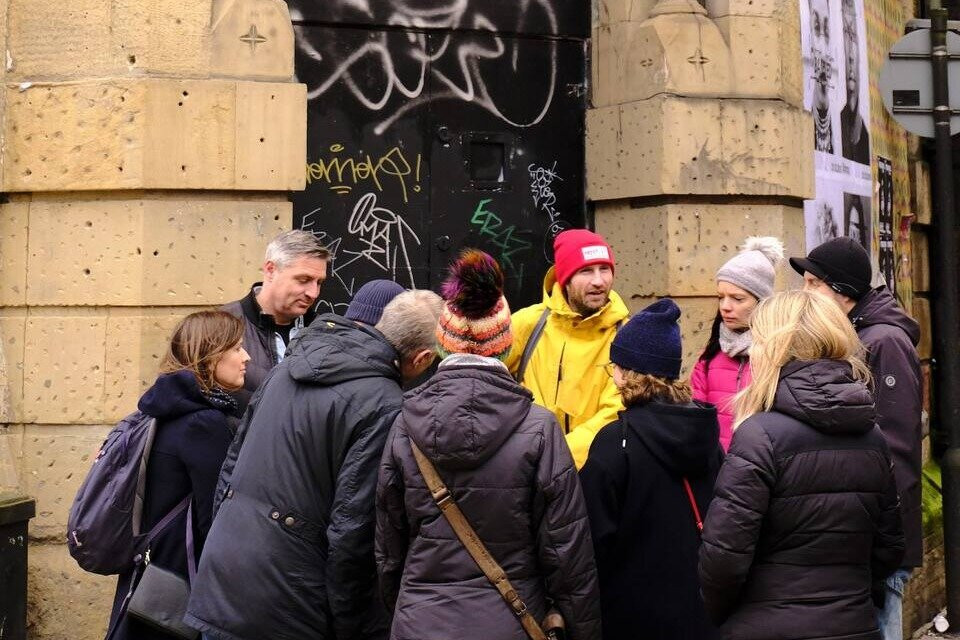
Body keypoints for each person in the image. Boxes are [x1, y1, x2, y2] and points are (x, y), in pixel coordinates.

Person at [185, 290, 443, 640]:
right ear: (423, 357)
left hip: (225, 577)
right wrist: (350, 626)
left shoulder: (288, 367)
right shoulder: (385, 405)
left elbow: (231, 466)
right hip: (290, 601)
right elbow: (353, 532)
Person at [376, 249, 601, 640]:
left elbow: (388, 545)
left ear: (443, 342)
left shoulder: (405, 423)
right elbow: (567, 551)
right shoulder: (539, 428)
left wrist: (405, 608)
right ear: (504, 343)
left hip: (422, 620)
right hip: (512, 619)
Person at [699, 290, 905, 640]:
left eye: (758, 340)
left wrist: (730, 615)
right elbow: (888, 550)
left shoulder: (759, 436)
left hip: (766, 624)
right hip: (853, 624)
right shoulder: (872, 437)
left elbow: (723, 559)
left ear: (776, 349)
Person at [791, 237, 922, 639]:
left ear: (842, 292)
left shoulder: (883, 340)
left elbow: (896, 449)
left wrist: (876, 536)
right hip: (859, 531)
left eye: (814, 283)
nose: (805, 292)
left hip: (877, 537)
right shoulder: (856, 333)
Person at [580, 298, 721, 640]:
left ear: (627, 372)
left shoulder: (616, 442)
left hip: (631, 615)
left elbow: (592, 541)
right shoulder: (708, 437)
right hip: (701, 612)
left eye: (614, 365)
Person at [106, 311, 249, 640]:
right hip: (181, 579)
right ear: (211, 355)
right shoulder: (203, 422)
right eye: (237, 348)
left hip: (152, 568)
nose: (247, 357)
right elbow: (214, 518)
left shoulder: (163, 408)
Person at [505, 229, 629, 469]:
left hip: (592, 472)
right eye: (586, 271)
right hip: (527, 467)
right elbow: (483, 378)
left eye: (605, 269)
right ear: (565, 278)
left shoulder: (625, 334)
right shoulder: (528, 324)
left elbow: (616, 411)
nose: (599, 281)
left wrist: (555, 457)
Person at [692, 237, 783, 451]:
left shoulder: (780, 354)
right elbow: (695, 415)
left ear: (762, 301)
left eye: (737, 298)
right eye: (720, 297)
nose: (725, 307)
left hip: (762, 467)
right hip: (714, 468)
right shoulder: (710, 355)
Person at [222, 229, 329, 396]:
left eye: (319, 282)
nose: (313, 293)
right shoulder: (220, 326)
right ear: (271, 270)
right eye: (304, 280)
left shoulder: (326, 333)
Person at [840, 0, 870, 164]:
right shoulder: (836, 126)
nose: (851, 54)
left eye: (853, 37)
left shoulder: (865, 137)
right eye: (846, 33)